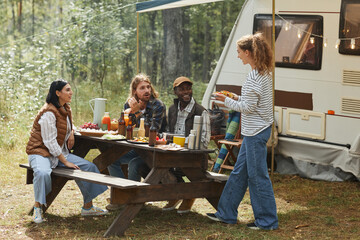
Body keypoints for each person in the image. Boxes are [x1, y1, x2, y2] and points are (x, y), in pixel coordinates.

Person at [206, 33, 278, 230]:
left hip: (256, 131)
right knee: (238, 173)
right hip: (254, 130)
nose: (238, 55)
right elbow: (251, 101)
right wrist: (234, 96)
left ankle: (267, 221)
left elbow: (248, 107)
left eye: (239, 52)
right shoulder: (261, 72)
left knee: (257, 176)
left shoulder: (257, 75)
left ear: (248, 52)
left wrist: (225, 101)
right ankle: (226, 213)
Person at [26, 79, 108, 224]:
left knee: (89, 167)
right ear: (58, 93)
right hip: (40, 152)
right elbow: (49, 142)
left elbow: (67, 124)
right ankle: (38, 207)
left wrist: (71, 132)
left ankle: (88, 208)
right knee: (42, 173)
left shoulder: (65, 108)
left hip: (58, 154)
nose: (71, 92)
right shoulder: (48, 113)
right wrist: (65, 161)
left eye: (70, 89)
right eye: (67, 90)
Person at [106, 73, 167, 210]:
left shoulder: (158, 105)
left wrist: (138, 113)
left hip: (154, 149)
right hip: (136, 147)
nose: (146, 90)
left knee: (134, 164)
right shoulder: (128, 104)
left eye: (148, 87)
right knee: (111, 158)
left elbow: (153, 130)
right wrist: (130, 113)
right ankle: (122, 195)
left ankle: (132, 202)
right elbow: (127, 128)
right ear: (135, 91)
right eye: (142, 88)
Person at [162, 76, 211, 214]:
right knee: (147, 165)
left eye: (188, 88)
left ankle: (188, 196)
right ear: (175, 92)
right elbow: (168, 133)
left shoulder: (201, 112)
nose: (186, 92)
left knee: (163, 167)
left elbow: (204, 141)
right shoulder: (172, 109)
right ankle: (176, 194)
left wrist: (184, 144)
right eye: (181, 89)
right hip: (172, 156)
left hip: (193, 158)